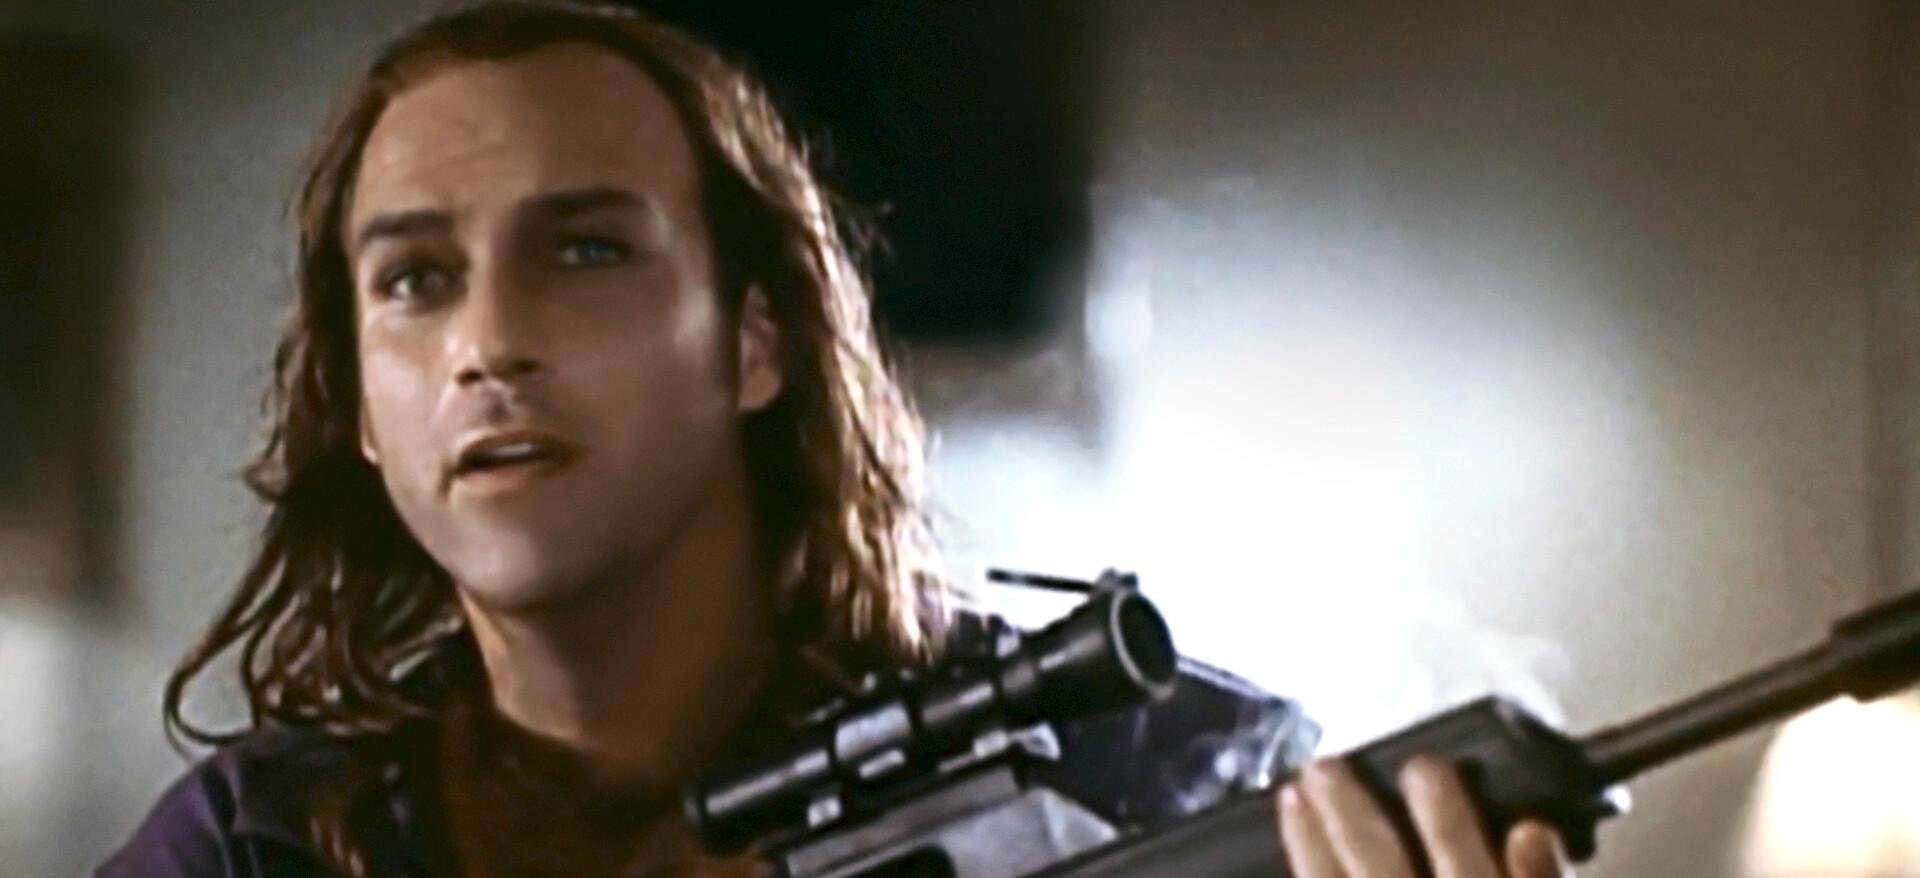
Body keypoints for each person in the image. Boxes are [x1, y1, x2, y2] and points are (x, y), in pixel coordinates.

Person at [95, 3, 1572, 877]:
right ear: (359, 404)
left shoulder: (1154, 778)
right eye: (416, 281)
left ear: (756, 342)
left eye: (588, 250)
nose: (488, 342)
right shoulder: (258, 845)